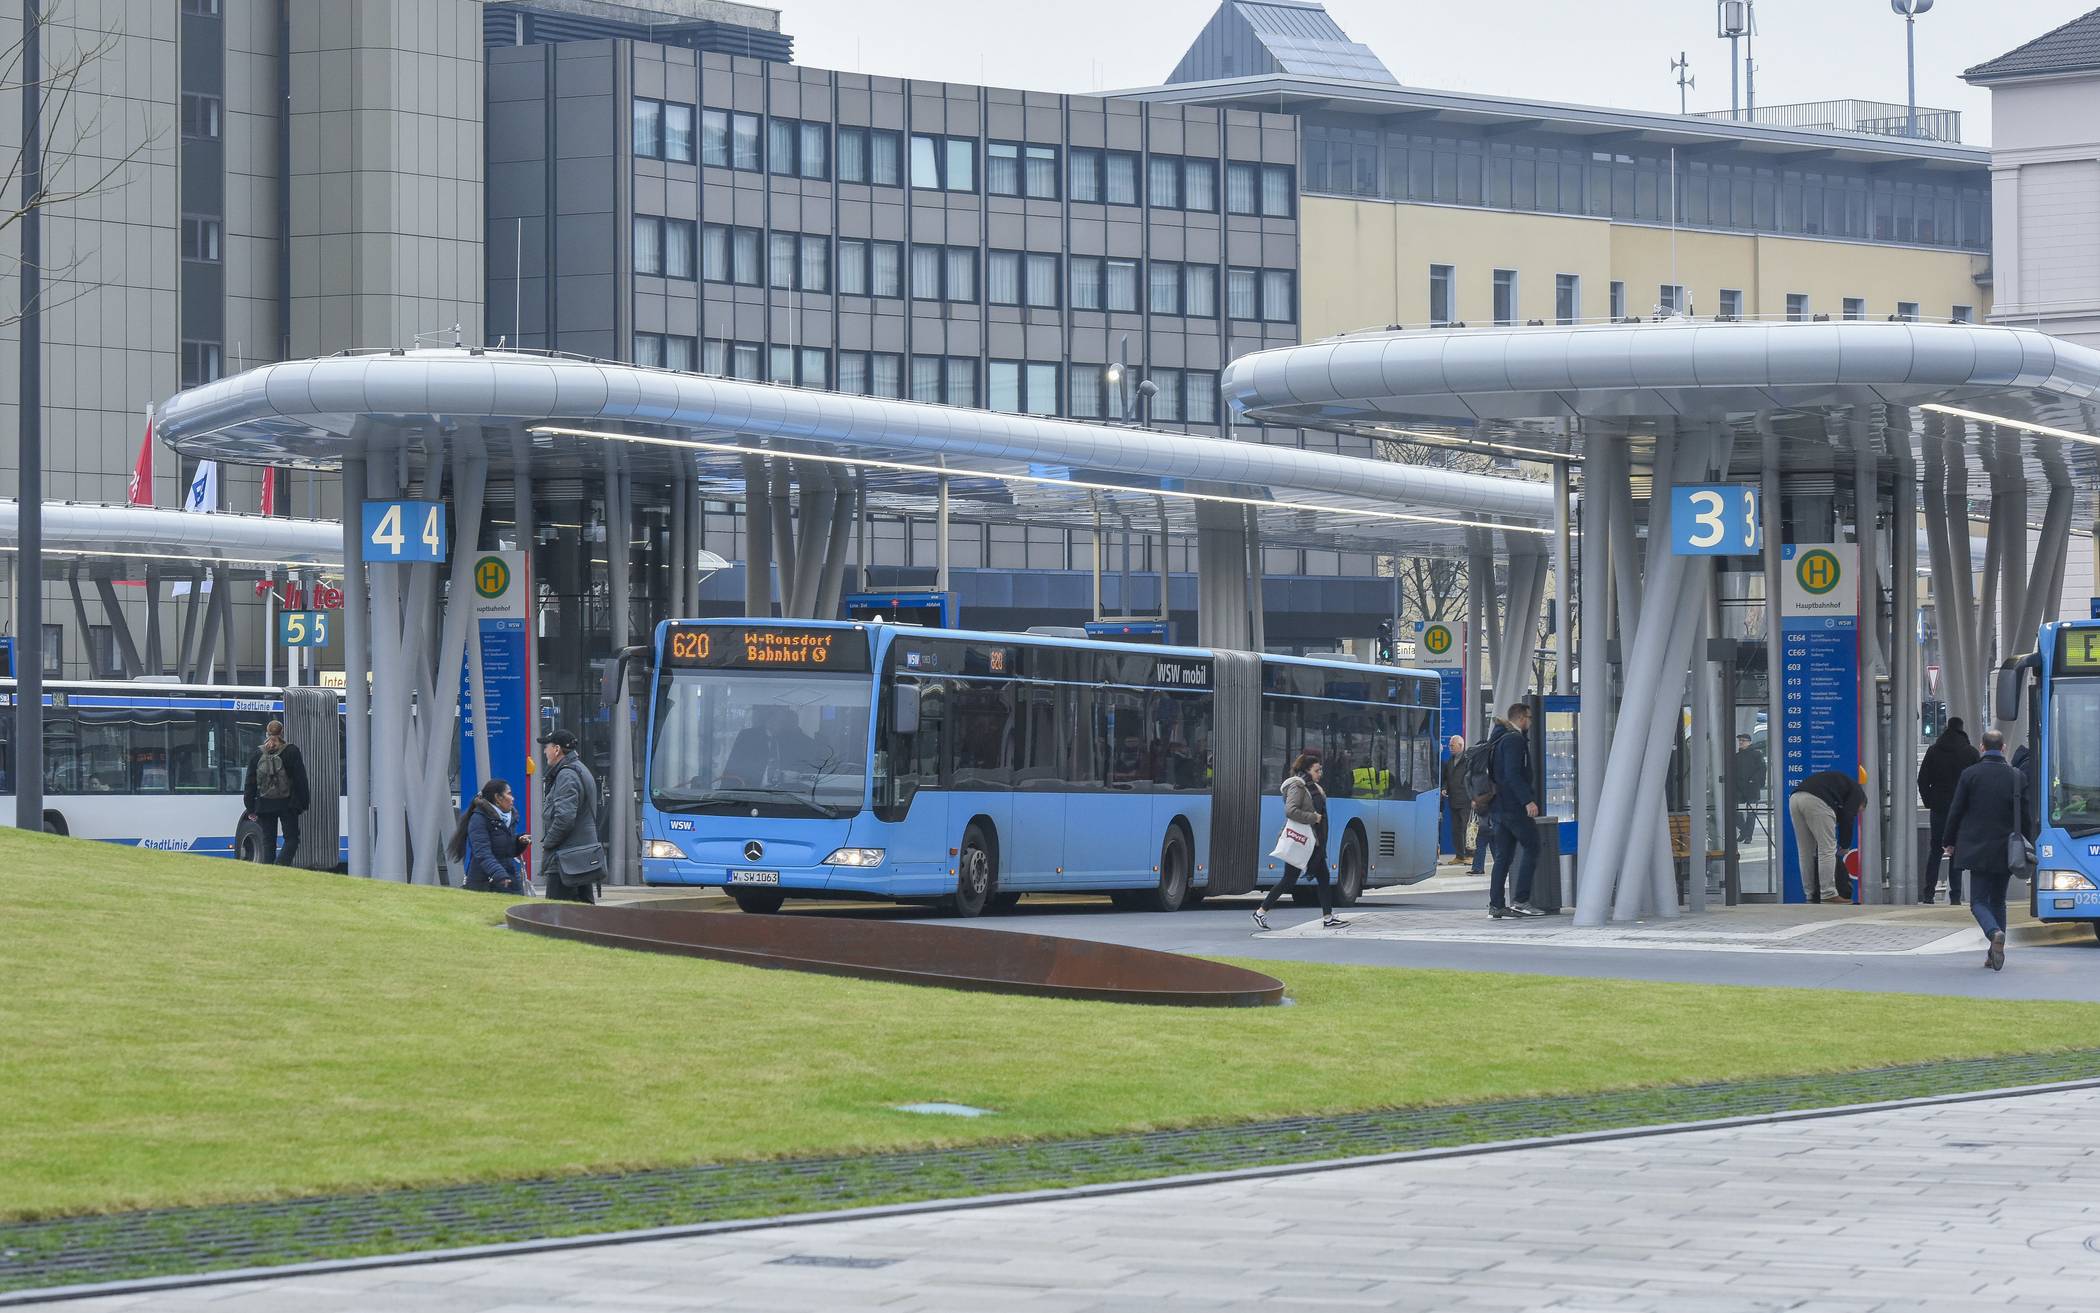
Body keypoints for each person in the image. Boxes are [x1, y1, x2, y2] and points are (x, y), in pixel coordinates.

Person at [1943, 729, 2022, 971]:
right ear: (2004, 748)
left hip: (1976, 847)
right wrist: (2027, 843)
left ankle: (1993, 932)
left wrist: (1949, 840)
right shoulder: (2016, 776)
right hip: (2006, 848)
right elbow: (2026, 814)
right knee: (1998, 901)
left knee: (1978, 901)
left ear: (1982, 747)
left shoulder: (1970, 774)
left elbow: (1956, 809)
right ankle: (1994, 953)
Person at [1252, 752, 1346, 931]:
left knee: (1323, 876)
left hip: (1313, 841)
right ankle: (1260, 912)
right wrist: (1313, 817)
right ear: (1307, 770)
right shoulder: (1297, 785)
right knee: (1289, 879)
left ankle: (1328, 917)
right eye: (1317, 770)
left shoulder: (1313, 787)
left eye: (1320, 770)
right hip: (1301, 841)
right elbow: (1291, 810)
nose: (1320, 773)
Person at [1486, 703, 1545, 919]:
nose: (1530, 721)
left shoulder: (1497, 738)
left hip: (1499, 807)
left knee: (1503, 857)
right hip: (1513, 807)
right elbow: (1513, 774)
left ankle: (1496, 905)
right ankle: (1521, 900)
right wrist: (1527, 800)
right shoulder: (1514, 740)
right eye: (1529, 717)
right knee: (1533, 846)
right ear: (1521, 718)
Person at [1916, 717, 1979, 904]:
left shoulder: (1934, 751)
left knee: (1936, 849)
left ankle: (1928, 894)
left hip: (1939, 807)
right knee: (1957, 851)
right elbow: (1977, 782)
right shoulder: (1970, 753)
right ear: (1962, 729)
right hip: (1962, 809)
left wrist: (1929, 801)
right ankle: (1955, 896)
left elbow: (1922, 779)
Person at [538, 730, 605, 903]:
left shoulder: (566, 775)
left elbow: (564, 819)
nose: (545, 751)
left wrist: (548, 843)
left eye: (547, 747)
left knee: (556, 913)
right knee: (582, 912)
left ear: (557, 749)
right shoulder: (579, 769)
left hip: (566, 860)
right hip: (580, 857)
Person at [1789, 768, 1866, 903]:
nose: (1857, 813)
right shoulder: (1858, 793)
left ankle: (1810, 894)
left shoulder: (1841, 786)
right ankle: (1828, 893)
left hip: (1795, 798)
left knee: (1805, 852)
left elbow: (1842, 814)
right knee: (1827, 849)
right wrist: (1845, 844)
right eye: (1859, 811)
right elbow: (1848, 816)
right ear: (1862, 803)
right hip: (1817, 801)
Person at [243, 719, 311, 866]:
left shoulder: (257, 753)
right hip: (288, 804)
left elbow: (250, 783)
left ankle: (269, 870)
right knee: (292, 839)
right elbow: (300, 779)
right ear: (282, 732)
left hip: (264, 804)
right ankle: (280, 866)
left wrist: (250, 807)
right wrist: (303, 803)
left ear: (267, 733)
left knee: (268, 841)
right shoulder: (292, 751)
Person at [450, 779, 529, 895]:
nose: (513, 798)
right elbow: (482, 852)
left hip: (509, 878)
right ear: (498, 797)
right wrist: (498, 873)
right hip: (485, 882)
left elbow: (507, 851)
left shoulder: (509, 818)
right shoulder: (479, 818)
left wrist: (519, 842)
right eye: (509, 794)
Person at [1441, 734, 1473, 863]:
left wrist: (1473, 797)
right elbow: (1447, 778)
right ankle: (1460, 856)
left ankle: (1470, 855)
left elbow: (1472, 779)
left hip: (1466, 800)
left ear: (1460, 745)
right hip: (1453, 800)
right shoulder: (1450, 761)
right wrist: (1445, 788)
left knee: (1467, 829)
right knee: (1456, 829)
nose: (1450, 748)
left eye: (1452, 745)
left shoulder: (1468, 760)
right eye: (1449, 745)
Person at [1732, 734, 1765, 844]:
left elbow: (1762, 770)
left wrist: (1755, 781)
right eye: (1740, 740)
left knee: (1751, 814)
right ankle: (1745, 831)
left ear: (1749, 742)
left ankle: (1748, 836)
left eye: (1743, 740)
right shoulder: (1736, 756)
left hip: (1752, 790)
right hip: (1739, 790)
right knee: (1736, 812)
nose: (1741, 742)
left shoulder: (1756, 754)